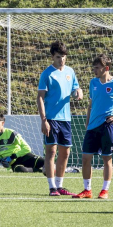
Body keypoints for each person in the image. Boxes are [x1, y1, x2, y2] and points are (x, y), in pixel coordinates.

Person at [73, 54, 113, 200]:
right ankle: (87, 190)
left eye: (97, 68)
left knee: (107, 158)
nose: (94, 70)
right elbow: (91, 104)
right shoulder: (93, 83)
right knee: (85, 158)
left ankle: (104, 190)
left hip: (108, 125)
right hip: (92, 126)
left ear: (106, 68)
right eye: (93, 67)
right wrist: (87, 121)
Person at [36, 41, 83, 196]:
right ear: (52, 57)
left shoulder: (70, 71)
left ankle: (60, 185)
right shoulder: (47, 74)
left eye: (63, 57)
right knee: (51, 151)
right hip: (51, 118)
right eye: (58, 57)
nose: (61, 60)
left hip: (66, 119)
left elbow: (76, 87)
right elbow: (40, 98)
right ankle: (52, 188)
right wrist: (44, 120)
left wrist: (78, 92)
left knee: (65, 152)